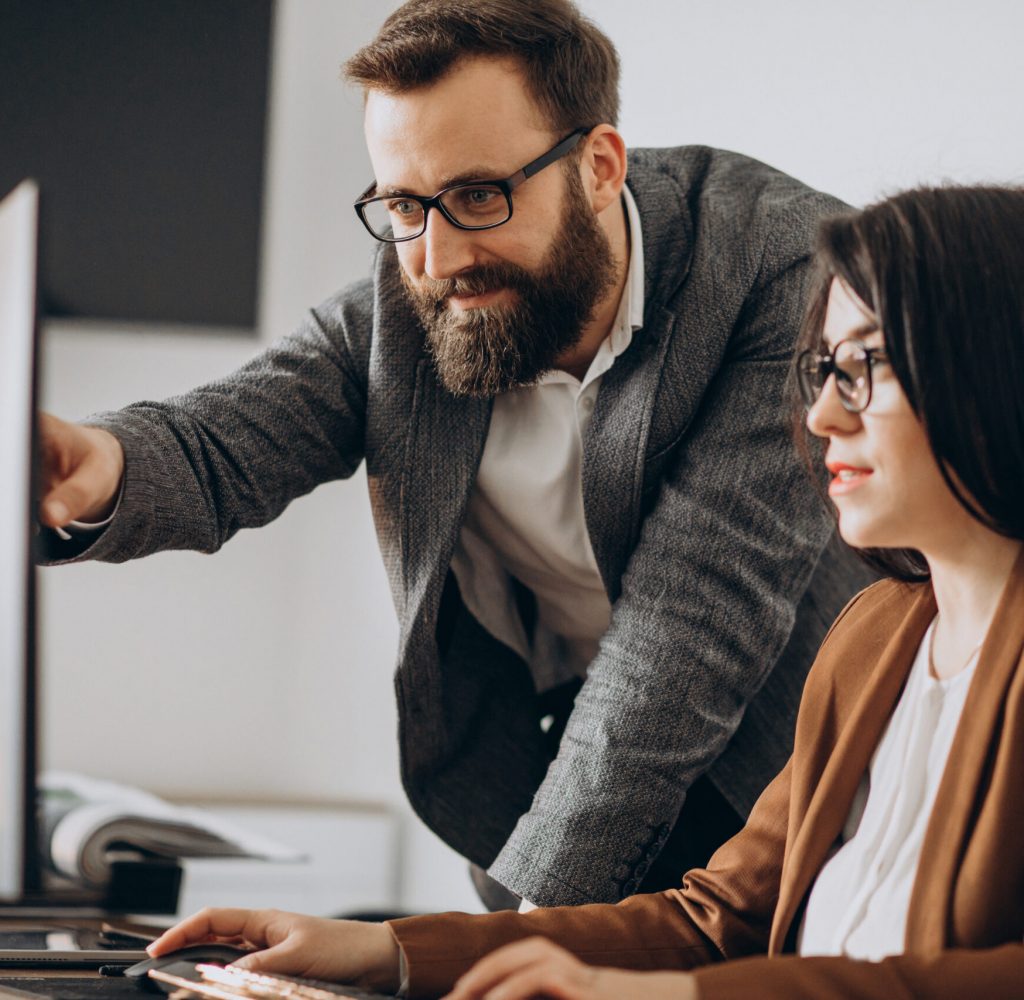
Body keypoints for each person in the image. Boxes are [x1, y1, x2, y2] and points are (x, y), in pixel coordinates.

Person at [37, 0, 870, 909]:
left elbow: (691, 636)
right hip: (549, 760)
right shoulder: (411, 296)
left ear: (598, 166)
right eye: (403, 204)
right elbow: (223, 443)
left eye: (479, 196)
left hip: (787, 775)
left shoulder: (784, 266)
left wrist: (513, 933)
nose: (437, 256)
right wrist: (94, 462)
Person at [145, 184, 1024, 998]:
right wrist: (383, 951)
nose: (824, 415)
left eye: (866, 365)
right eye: (823, 370)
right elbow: (712, 922)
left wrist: (663, 998)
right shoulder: (878, 636)